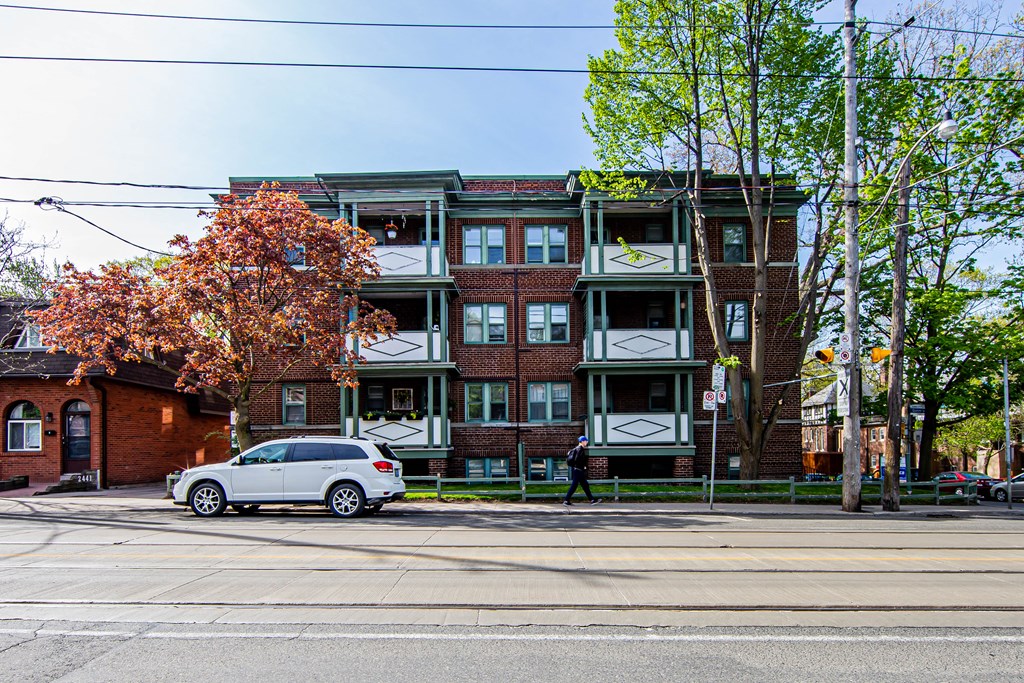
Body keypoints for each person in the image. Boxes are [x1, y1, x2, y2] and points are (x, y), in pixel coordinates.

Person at [563, 436, 602, 507]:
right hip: (578, 470)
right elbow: (577, 459)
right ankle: (566, 500)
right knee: (574, 486)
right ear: (583, 441)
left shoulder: (577, 448)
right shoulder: (580, 449)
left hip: (577, 470)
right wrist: (583, 466)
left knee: (585, 485)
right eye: (586, 441)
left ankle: (592, 500)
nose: (587, 442)